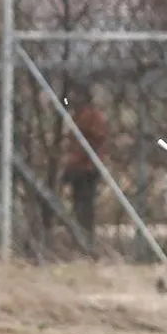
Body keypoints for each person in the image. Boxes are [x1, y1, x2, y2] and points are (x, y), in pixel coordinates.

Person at [60, 87, 107, 253]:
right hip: (79, 167)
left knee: (85, 208)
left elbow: (94, 141)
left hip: (87, 168)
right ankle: (80, 242)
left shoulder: (91, 117)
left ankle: (86, 243)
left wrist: (78, 161)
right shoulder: (77, 115)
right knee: (79, 207)